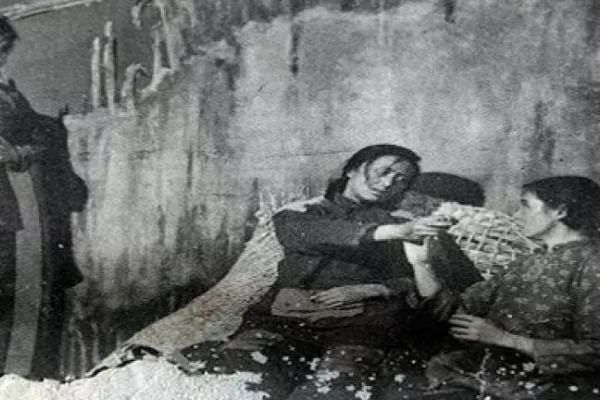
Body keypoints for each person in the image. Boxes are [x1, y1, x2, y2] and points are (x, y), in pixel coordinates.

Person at [202, 144, 481, 399]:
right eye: (384, 171)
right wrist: (391, 232)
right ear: (352, 170)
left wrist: (371, 288)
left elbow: (424, 285)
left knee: (337, 386)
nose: (388, 183)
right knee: (244, 378)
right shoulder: (306, 211)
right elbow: (301, 233)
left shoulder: (406, 223)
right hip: (285, 317)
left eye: (400, 180)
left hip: (361, 323)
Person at [391, 176, 600, 399]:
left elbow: (595, 351)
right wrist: (421, 263)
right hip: (493, 380)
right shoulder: (526, 263)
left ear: (560, 211)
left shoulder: (593, 263)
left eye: (525, 205)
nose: (516, 216)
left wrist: (506, 339)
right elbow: (455, 313)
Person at [0, 16, 87, 379]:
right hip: (10, 208)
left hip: (20, 210)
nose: (4, 56)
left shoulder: (9, 92)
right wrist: (29, 150)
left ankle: (23, 377)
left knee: (25, 294)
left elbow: (28, 126)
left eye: (5, 49)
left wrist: (52, 129)